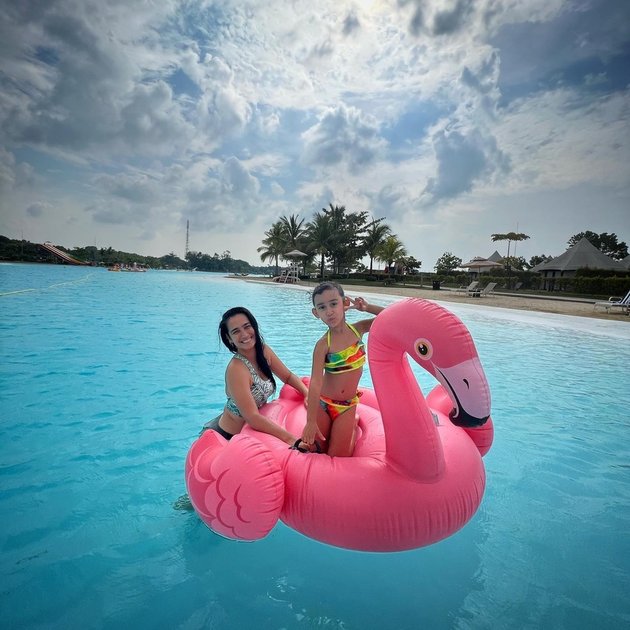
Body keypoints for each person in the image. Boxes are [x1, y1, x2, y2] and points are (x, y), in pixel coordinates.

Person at [202, 306, 310, 449]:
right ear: (229, 339)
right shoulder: (237, 369)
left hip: (252, 431)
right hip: (227, 437)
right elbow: (252, 417)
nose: (245, 334)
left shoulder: (264, 351)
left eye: (247, 327)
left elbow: (288, 376)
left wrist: (307, 393)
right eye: (236, 331)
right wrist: (292, 440)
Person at [302, 282, 384, 457]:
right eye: (322, 307)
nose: (329, 311)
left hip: (347, 406)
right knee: (314, 450)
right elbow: (316, 382)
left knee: (337, 457)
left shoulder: (359, 329)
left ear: (345, 303)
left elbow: (389, 317)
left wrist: (367, 307)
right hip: (324, 404)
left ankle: (351, 425)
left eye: (333, 303)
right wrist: (310, 422)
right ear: (316, 313)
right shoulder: (323, 344)